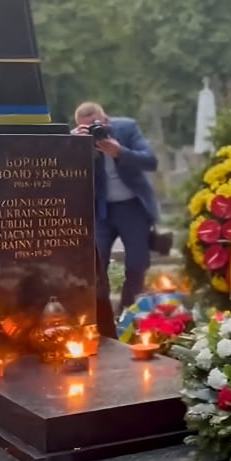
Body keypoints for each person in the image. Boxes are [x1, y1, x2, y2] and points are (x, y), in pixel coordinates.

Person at [71, 101, 159, 337]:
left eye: (97, 126)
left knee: (137, 264)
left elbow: (150, 161)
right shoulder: (76, 140)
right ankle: (102, 321)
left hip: (132, 206)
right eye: (87, 128)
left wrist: (119, 151)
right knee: (96, 268)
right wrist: (73, 145)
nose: (94, 133)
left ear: (106, 120)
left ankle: (128, 318)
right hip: (100, 210)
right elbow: (61, 169)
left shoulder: (127, 128)